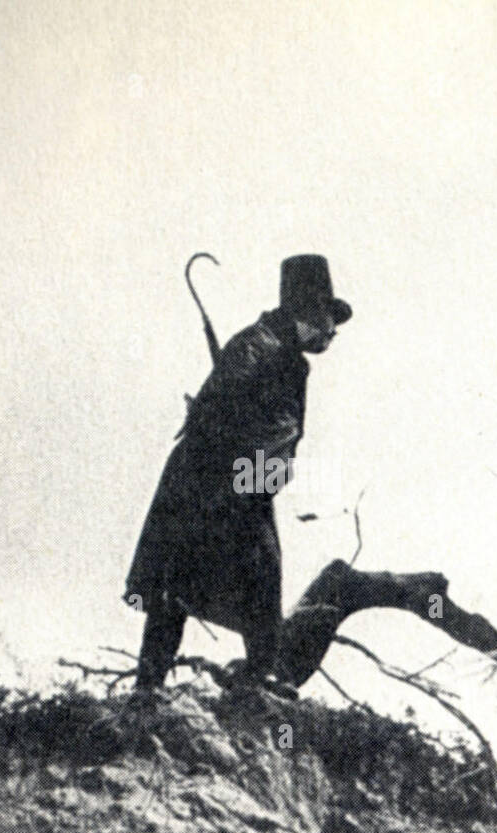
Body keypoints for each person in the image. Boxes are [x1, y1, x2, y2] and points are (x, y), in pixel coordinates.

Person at [124, 254, 351, 697]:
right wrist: (249, 472)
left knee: (243, 575)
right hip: (210, 483)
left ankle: (254, 677)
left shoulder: (275, 352)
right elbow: (215, 415)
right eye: (328, 320)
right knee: (190, 581)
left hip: (238, 480)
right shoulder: (257, 347)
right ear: (308, 312)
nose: (332, 333)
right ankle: (153, 689)